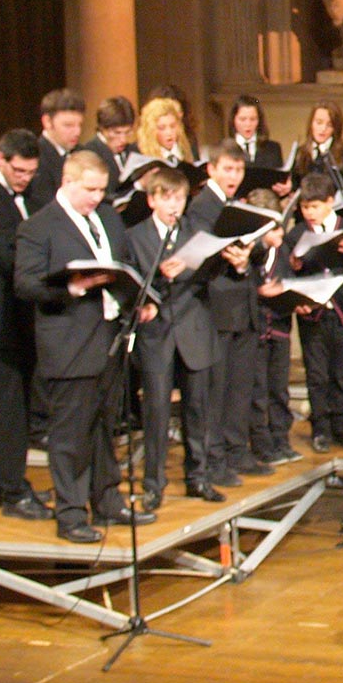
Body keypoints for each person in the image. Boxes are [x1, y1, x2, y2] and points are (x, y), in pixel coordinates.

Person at [12, 150, 155, 543]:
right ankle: (72, 513)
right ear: (68, 181)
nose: (97, 197)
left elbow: (124, 263)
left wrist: (141, 299)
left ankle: (107, 501)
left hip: (109, 338)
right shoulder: (39, 227)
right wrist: (73, 287)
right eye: (90, 189)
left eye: (101, 190)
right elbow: (25, 283)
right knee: (70, 433)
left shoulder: (107, 217)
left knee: (104, 427)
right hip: (69, 342)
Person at [0, 129, 51, 520]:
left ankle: (4, 489)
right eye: (19, 171)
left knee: (5, 408)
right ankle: (13, 493)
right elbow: (11, 260)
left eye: (31, 172)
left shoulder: (27, 195)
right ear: (0, 159)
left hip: (19, 321)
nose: (25, 178)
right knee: (6, 410)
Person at [129, 168, 219, 506]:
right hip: (157, 333)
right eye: (166, 198)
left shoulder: (198, 232)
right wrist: (144, 303)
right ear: (152, 200)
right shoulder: (135, 237)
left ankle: (198, 477)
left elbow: (212, 270)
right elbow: (130, 280)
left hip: (193, 328)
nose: (173, 206)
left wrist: (191, 266)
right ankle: (154, 484)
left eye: (179, 198)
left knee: (198, 409)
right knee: (156, 411)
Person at [190, 144, 272, 483]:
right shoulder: (201, 206)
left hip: (243, 304)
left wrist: (252, 252)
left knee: (241, 385)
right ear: (212, 169)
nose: (233, 177)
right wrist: (229, 256)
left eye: (238, 171)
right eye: (227, 170)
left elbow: (259, 245)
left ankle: (238, 451)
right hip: (218, 305)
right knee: (218, 388)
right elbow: (198, 250)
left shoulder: (236, 204)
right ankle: (214, 459)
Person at [285, 172, 343, 452]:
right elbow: (288, 276)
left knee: (339, 372)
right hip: (312, 313)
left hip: (341, 312)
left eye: (315, 206)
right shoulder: (297, 233)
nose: (309, 213)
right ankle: (320, 429)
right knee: (316, 373)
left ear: (330, 202)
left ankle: (342, 425)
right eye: (304, 207)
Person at [249, 190, 302, 465]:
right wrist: (260, 290)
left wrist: (299, 299)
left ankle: (281, 438)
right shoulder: (249, 251)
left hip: (280, 326)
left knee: (278, 388)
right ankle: (261, 444)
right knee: (257, 389)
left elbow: (289, 281)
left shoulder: (283, 251)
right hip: (256, 326)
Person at [27, 88, 86, 212]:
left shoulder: (83, 152)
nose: (77, 132)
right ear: (47, 122)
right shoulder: (35, 159)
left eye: (80, 125)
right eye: (68, 125)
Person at [288, 101, 343, 181]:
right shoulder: (300, 153)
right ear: (311, 124)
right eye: (319, 123)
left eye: (329, 125)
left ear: (335, 128)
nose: (323, 129)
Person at [227, 94, 282, 171]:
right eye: (242, 119)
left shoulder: (273, 149)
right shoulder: (224, 149)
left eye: (253, 119)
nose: (248, 124)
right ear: (233, 120)